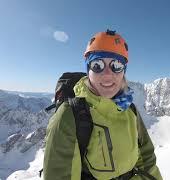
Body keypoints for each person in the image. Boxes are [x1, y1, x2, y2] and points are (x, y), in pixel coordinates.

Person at [43, 30, 163, 180]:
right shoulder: (71, 115)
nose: (107, 74)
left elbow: (146, 160)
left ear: (123, 71)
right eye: (97, 64)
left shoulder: (129, 109)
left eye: (116, 65)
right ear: (88, 69)